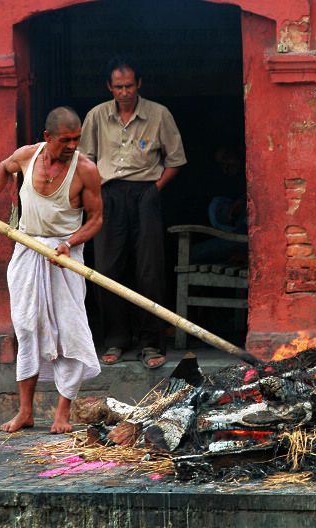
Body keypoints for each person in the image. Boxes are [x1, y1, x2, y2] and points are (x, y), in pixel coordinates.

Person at [0, 106, 103, 433]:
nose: (72, 145)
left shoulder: (85, 169)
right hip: (27, 248)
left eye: (77, 138)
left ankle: (62, 414)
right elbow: (2, 169)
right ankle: (26, 412)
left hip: (64, 256)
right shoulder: (27, 156)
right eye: (65, 139)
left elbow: (97, 219)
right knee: (27, 327)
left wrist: (69, 244)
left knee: (69, 331)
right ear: (47, 138)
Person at [79, 56, 187, 369]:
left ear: (139, 84)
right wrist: (96, 194)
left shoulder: (158, 114)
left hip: (146, 195)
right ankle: (115, 340)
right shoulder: (97, 116)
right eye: (118, 87)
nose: (124, 92)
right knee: (108, 268)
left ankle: (151, 343)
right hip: (108, 195)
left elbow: (176, 160)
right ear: (109, 88)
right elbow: (85, 161)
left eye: (129, 86)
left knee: (149, 269)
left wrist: (154, 191)